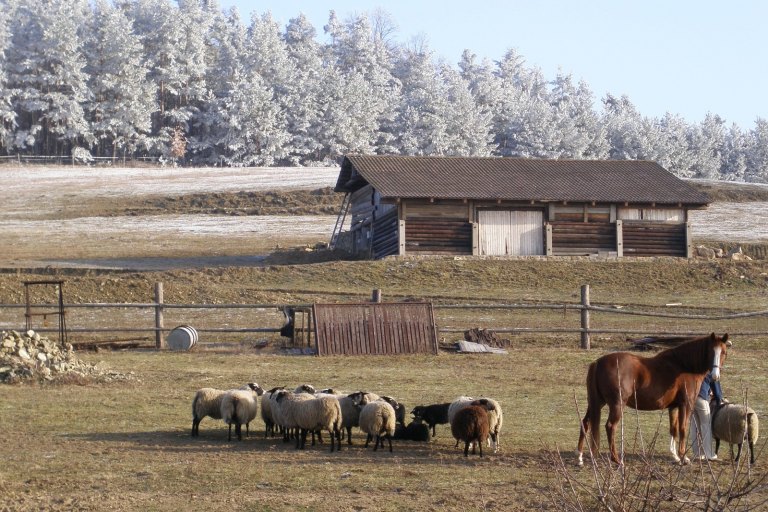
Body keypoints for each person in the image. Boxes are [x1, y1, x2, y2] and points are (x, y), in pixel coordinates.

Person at [690, 370, 725, 460]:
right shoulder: (710, 371)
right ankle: (709, 454)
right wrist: (719, 401)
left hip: (691, 399)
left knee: (695, 426)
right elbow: (717, 392)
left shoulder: (695, 368)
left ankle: (698, 453)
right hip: (702, 398)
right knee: (706, 425)